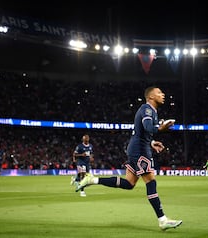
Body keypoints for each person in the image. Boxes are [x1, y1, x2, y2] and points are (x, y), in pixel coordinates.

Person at [76, 86, 182, 231]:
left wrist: (151, 142)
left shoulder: (152, 111)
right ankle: (162, 219)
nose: (163, 94)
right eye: (159, 92)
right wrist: (162, 128)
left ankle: (92, 179)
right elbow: (149, 128)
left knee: (130, 183)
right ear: (151, 97)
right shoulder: (147, 109)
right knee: (151, 181)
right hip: (140, 151)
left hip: (137, 148)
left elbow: (142, 131)